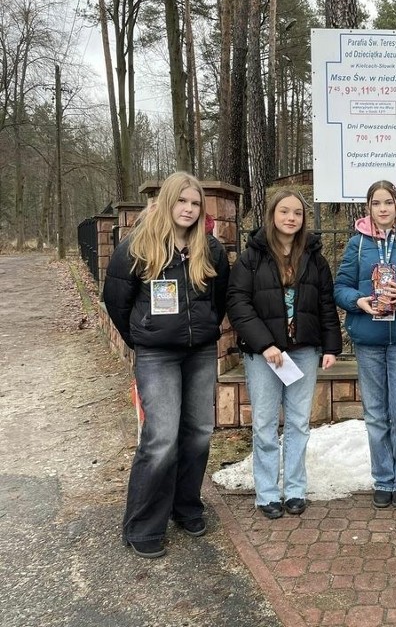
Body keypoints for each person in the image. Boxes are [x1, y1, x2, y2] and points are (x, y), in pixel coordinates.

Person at [103, 171, 230, 558]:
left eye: (195, 204)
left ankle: (185, 505)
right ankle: (143, 523)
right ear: (167, 203)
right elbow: (116, 302)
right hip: (157, 355)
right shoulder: (137, 247)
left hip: (200, 352)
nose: (189, 209)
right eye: (182, 201)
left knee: (199, 433)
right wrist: (143, 337)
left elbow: (218, 300)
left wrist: (205, 329)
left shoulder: (211, 249)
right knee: (160, 440)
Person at [227, 190, 342, 519]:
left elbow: (325, 304)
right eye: (284, 211)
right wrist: (265, 344)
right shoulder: (252, 257)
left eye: (297, 213)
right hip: (264, 356)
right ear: (272, 215)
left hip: (304, 351)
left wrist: (331, 346)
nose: (291, 218)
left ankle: (294, 489)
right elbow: (238, 304)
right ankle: (266, 493)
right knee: (264, 425)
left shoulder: (314, 257)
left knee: (297, 424)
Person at [333, 180, 396, 509]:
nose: (382, 208)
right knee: (376, 415)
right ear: (368, 208)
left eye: (388, 202)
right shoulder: (357, 245)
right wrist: (357, 301)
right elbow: (341, 287)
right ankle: (383, 479)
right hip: (369, 340)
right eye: (376, 203)